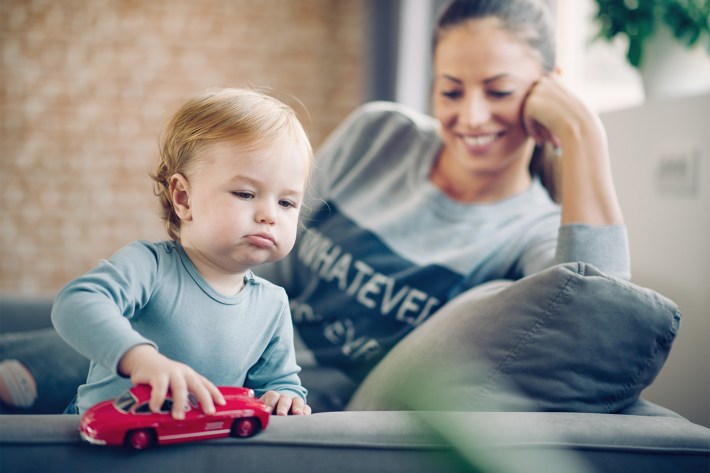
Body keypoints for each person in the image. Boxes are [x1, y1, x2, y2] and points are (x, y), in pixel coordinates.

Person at [0, 0, 629, 412]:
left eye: (500, 91)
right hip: (202, 327)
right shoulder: (380, 133)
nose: (471, 115)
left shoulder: (533, 229)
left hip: (288, 391)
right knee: (23, 367)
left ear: (548, 89)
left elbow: (597, 317)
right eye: (450, 89)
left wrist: (584, 136)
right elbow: (260, 211)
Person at [49, 87, 313, 418]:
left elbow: (280, 383)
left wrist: (284, 397)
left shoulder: (272, 305)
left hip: (192, 450)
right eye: (245, 194)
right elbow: (75, 303)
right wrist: (142, 358)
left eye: (286, 202)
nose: (269, 215)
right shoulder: (151, 267)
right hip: (101, 439)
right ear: (183, 198)